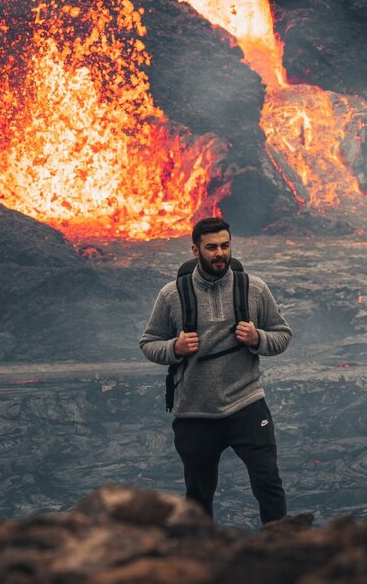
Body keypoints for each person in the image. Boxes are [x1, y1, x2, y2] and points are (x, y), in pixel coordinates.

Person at [139, 216, 293, 524]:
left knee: (268, 485)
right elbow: (148, 343)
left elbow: (283, 335)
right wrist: (175, 348)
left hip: (246, 404)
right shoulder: (172, 295)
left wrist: (257, 338)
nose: (220, 253)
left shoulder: (254, 289)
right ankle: (200, 559)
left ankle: (283, 551)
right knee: (198, 496)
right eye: (211, 247)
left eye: (225, 245)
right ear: (195, 251)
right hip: (196, 413)